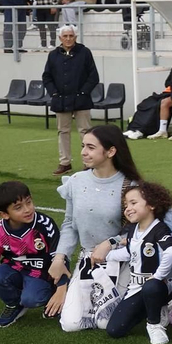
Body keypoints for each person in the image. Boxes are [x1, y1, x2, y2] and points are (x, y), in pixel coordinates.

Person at [47, 126, 144, 331]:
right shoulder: (76, 181)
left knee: (105, 322)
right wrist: (59, 258)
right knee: (70, 324)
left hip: (121, 260)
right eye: (83, 146)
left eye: (91, 147)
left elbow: (139, 231)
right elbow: (69, 225)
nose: (83, 152)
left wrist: (110, 243)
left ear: (110, 152)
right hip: (88, 259)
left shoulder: (131, 186)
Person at [96, 181, 172, 344]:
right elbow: (130, 252)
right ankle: (151, 307)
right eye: (126, 205)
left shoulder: (159, 229)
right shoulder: (134, 229)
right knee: (115, 330)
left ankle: (154, 324)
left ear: (152, 205)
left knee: (152, 287)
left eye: (133, 203)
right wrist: (108, 256)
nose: (128, 208)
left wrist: (157, 276)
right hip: (136, 287)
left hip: (160, 285)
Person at [0, 181, 60, 328]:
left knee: (31, 299)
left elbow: (60, 259)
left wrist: (61, 291)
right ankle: (14, 305)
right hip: (16, 270)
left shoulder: (45, 224)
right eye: (18, 207)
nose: (27, 209)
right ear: (4, 214)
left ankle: (50, 295)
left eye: (29, 202)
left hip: (41, 274)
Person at [43, 26, 99, 177]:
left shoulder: (84, 52)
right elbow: (47, 77)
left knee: (86, 132)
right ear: (60, 38)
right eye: (65, 36)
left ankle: (89, 163)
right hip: (60, 100)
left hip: (82, 100)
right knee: (63, 132)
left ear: (75, 37)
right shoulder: (53, 55)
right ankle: (65, 162)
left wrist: (83, 92)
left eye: (71, 36)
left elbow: (93, 76)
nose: (68, 39)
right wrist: (54, 93)